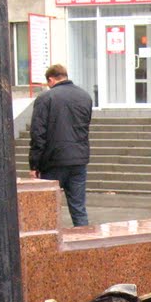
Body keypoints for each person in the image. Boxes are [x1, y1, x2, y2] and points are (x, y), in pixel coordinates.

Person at [29, 63, 93, 227]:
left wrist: (34, 164)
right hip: (78, 160)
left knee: (48, 209)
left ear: (51, 80)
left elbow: (38, 133)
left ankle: (49, 240)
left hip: (53, 161)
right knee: (78, 208)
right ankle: (83, 238)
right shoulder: (84, 96)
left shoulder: (45, 98)